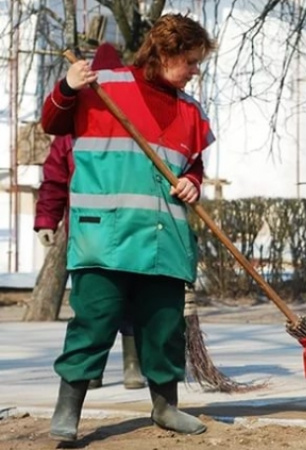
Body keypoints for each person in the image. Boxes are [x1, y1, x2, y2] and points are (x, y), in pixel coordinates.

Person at [40, 14, 215, 441]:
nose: (196, 71)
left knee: (163, 326)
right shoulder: (102, 88)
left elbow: (194, 164)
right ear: (166, 53)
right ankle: (68, 408)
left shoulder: (191, 111)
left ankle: (165, 406)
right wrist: (67, 87)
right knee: (94, 323)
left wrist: (193, 182)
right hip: (106, 238)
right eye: (191, 61)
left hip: (164, 241)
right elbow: (52, 123)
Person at [35, 43, 145, 392]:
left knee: (127, 299)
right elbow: (54, 178)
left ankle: (132, 366)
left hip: (126, 227)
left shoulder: (131, 128)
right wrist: (46, 221)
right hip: (88, 232)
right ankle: (91, 370)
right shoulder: (70, 132)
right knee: (93, 306)